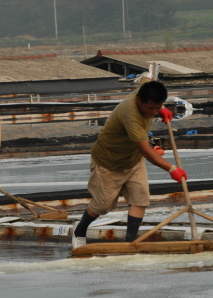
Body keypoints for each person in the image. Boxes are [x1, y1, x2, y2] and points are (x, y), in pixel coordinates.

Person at [72, 78, 187, 248]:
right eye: (149, 108)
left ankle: (130, 243)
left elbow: (147, 80)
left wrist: (162, 108)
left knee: (140, 199)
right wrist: (171, 169)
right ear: (139, 100)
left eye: (156, 108)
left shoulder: (145, 91)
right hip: (108, 161)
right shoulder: (130, 114)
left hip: (133, 160)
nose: (151, 113)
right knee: (103, 205)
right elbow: (146, 150)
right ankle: (79, 230)